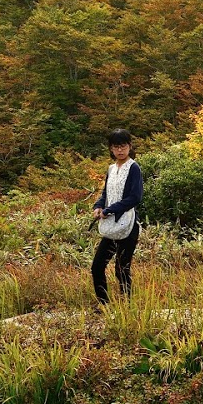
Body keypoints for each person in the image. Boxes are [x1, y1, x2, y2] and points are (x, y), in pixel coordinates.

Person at [91, 129, 143, 305]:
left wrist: (110, 209)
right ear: (111, 149)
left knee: (122, 269)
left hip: (128, 226)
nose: (120, 150)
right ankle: (103, 305)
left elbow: (135, 197)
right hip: (111, 226)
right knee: (97, 266)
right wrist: (98, 206)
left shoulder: (133, 168)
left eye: (123, 146)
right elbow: (106, 193)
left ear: (129, 146)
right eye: (116, 147)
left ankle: (127, 307)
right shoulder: (111, 169)